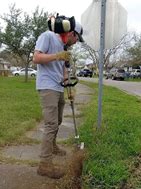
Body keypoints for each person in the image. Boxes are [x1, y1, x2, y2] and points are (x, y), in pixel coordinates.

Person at [32, 21, 84, 179]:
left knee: (59, 120)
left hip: (59, 87)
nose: (76, 43)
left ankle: (53, 146)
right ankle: (44, 165)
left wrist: (69, 87)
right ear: (72, 33)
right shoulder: (47, 36)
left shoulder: (64, 47)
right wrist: (57, 56)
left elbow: (63, 70)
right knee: (51, 124)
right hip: (47, 86)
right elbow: (36, 58)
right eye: (77, 39)